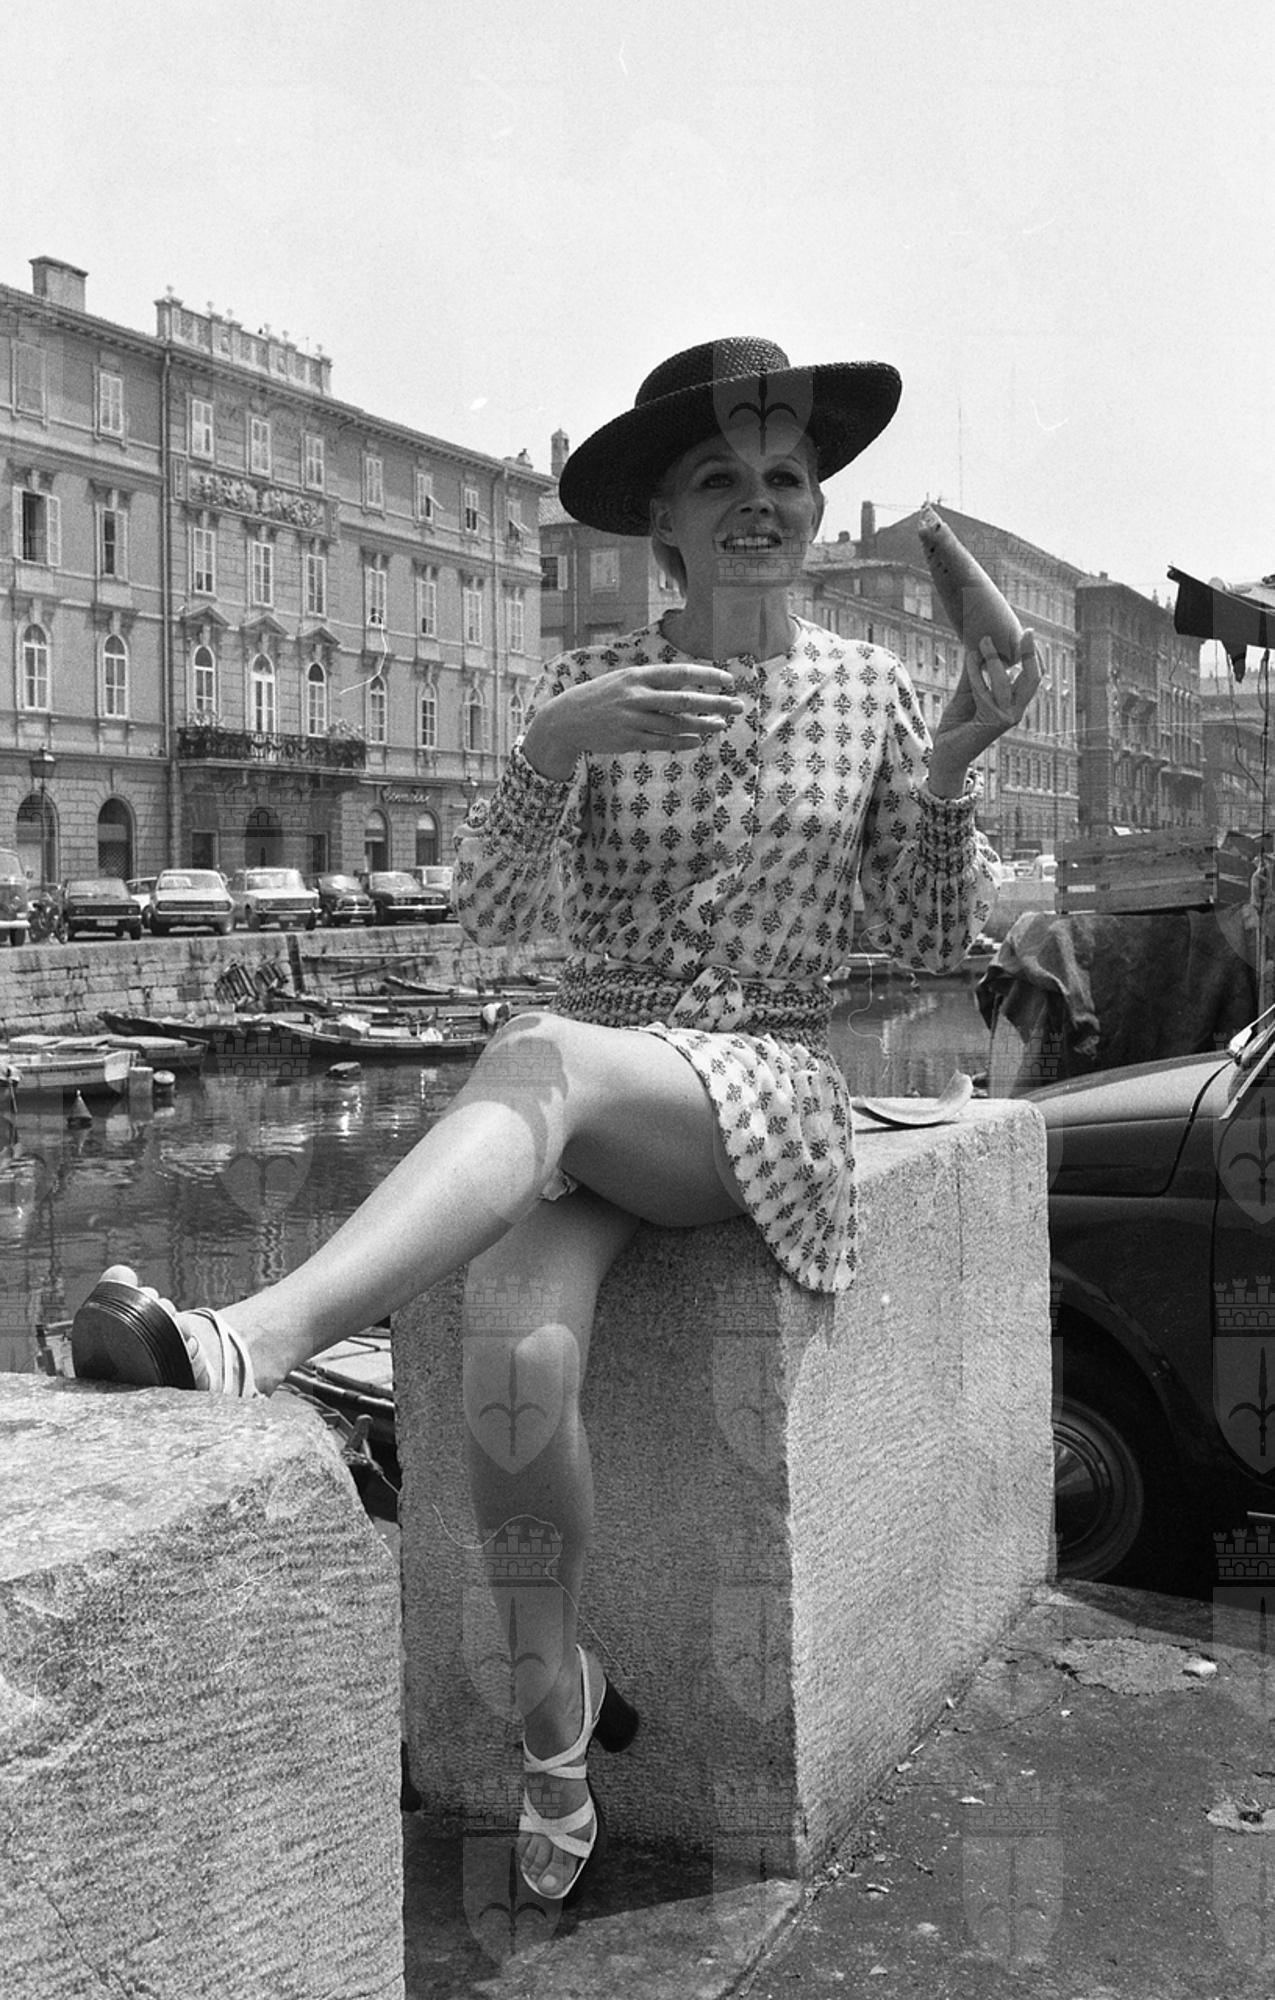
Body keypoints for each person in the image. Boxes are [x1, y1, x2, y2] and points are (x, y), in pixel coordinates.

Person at [70, 334, 1038, 1903]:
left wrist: (956, 768)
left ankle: (252, 1339)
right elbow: (493, 920)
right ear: (664, 522)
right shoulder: (586, 691)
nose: (759, 500)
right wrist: (547, 751)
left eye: (784, 476)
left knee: (543, 1055)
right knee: (515, 1359)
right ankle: (553, 1724)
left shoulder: (875, 692)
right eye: (719, 477)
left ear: (811, 508)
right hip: (587, 1096)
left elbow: (927, 948)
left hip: (759, 1096)